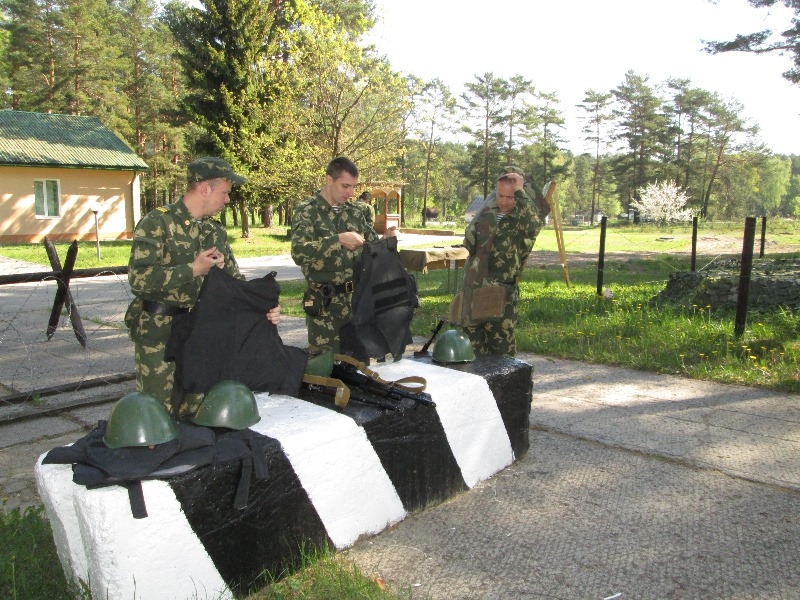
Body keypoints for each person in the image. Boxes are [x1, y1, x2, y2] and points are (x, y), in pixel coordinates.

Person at [125, 156, 280, 414]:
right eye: (225, 193)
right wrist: (192, 270)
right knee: (158, 416)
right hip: (160, 340)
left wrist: (265, 309)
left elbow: (236, 284)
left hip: (203, 336)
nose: (228, 199)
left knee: (201, 415)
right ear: (205, 188)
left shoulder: (214, 232)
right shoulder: (158, 223)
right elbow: (139, 279)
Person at [291, 156, 396, 354]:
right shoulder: (307, 212)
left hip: (357, 304)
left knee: (358, 369)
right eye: (345, 186)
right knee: (328, 372)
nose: (351, 193)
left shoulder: (354, 212)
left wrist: (386, 239)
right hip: (325, 307)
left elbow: (372, 244)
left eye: (353, 187)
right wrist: (337, 240)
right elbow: (299, 252)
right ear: (329, 180)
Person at [461, 167, 542, 356]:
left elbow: (533, 227)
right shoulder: (487, 212)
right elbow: (470, 242)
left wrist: (520, 191)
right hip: (475, 288)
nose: (504, 202)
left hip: (501, 293)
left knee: (501, 355)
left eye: (510, 197)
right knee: (472, 352)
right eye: (500, 196)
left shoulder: (521, 217)